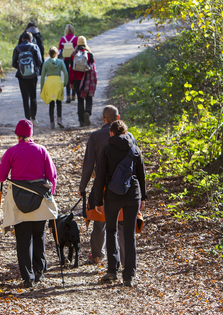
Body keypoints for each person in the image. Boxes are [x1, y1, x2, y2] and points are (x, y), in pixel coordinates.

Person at [0, 119, 58, 288]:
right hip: (39, 201)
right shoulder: (41, 150)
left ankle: (27, 277)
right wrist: (50, 195)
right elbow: (52, 176)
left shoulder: (11, 152)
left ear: (17, 135)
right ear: (32, 134)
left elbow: (1, 177)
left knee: (23, 239)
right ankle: (39, 271)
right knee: (39, 235)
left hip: (19, 202)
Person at [95, 120, 147, 287]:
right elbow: (141, 174)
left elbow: (100, 176)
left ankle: (112, 271)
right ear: (125, 132)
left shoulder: (107, 150)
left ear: (111, 133)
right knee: (129, 235)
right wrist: (143, 198)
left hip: (113, 195)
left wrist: (97, 200)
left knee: (111, 230)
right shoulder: (134, 148)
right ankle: (129, 275)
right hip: (133, 194)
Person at [78, 105, 120, 264]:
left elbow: (88, 165)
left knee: (99, 221)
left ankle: (97, 255)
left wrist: (82, 187)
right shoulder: (127, 136)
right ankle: (119, 256)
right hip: (122, 186)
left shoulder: (95, 136)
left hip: (102, 184)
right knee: (120, 222)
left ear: (103, 119)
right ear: (118, 118)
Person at [12, 32, 43, 122]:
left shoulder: (17, 48)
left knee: (25, 97)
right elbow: (40, 61)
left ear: (22, 39)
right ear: (31, 39)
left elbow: (14, 63)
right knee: (33, 96)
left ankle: (27, 118)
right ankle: (34, 117)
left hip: (22, 76)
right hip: (33, 76)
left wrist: (22, 68)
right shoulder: (34, 47)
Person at [69, 36, 96, 127]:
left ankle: (81, 121)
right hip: (86, 80)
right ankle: (87, 112)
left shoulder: (73, 55)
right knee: (89, 97)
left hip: (77, 80)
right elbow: (93, 69)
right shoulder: (89, 55)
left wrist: (71, 82)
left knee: (80, 100)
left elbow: (70, 69)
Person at [40, 47, 68, 129]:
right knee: (59, 102)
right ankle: (59, 119)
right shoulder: (60, 62)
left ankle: (51, 122)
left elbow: (42, 77)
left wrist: (42, 88)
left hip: (49, 83)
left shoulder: (45, 63)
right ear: (57, 53)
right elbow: (66, 73)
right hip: (58, 83)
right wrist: (65, 83)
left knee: (51, 103)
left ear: (48, 54)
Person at [58, 24, 78, 103]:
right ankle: (74, 94)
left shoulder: (63, 39)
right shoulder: (76, 38)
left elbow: (59, 50)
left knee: (67, 76)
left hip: (65, 59)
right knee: (74, 75)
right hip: (74, 59)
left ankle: (68, 95)